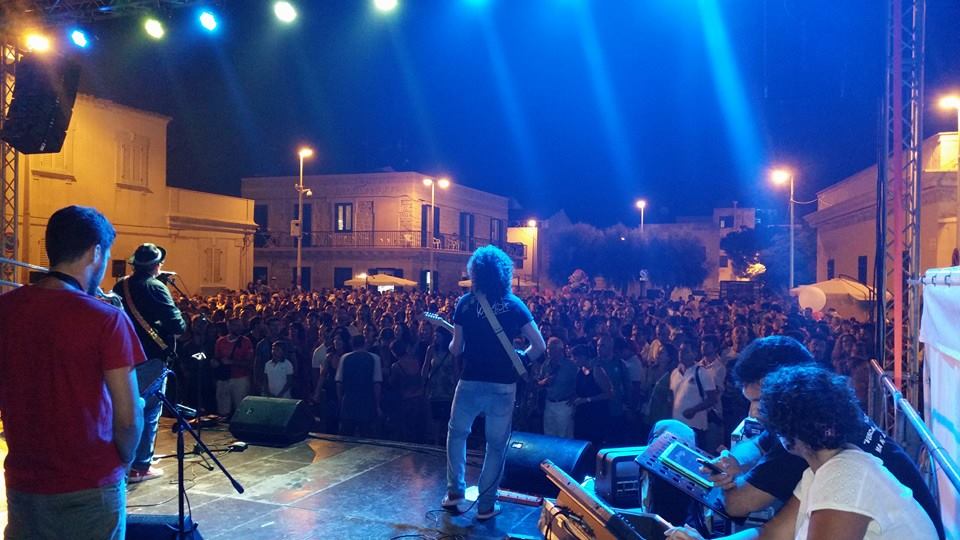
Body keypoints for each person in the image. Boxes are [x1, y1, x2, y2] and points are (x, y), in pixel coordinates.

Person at [703, 336, 944, 539]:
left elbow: (739, 505)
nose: (754, 413)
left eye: (761, 403)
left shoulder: (845, 476)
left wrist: (727, 480)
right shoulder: (821, 462)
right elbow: (771, 535)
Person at [0, 206, 144, 539]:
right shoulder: (106, 319)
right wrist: (123, 462)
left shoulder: (6, 310)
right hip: (89, 486)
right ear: (96, 251)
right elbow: (128, 416)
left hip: (24, 486)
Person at [444, 245, 546, 520]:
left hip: (470, 382)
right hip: (502, 385)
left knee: (457, 434)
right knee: (496, 445)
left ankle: (455, 493)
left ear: (474, 272)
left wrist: (452, 339)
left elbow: (456, 349)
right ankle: (486, 506)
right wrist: (520, 360)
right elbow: (539, 346)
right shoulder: (515, 305)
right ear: (504, 273)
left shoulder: (464, 303)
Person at [113, 242, 186, 484]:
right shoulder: (156, 287)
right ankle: (140, 465)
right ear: (156, 265)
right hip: (152, 357)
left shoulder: (119, 285)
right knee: (150, 408)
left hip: (123, 356)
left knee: (127, 407)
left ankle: (127, 458)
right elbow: (178, 325)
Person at [336, 334, 383, 437]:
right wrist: (377, 405)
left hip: (349, 401)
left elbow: (339, 383)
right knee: (367, 436)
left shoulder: (344, 358)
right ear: (365, 343)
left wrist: (340, 401)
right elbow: (377, 384)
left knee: (346, 436)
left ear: (352, 344)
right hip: (367, 402)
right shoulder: (374, 358)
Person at [211, 317, 255, 416]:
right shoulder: (220, 341)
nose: (239, 328)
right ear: (229, 326)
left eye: (240, 325)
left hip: (239, 378)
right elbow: (216, 357)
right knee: (223, 408)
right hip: (224, 379)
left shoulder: (246, 341)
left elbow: (249, 362)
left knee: (241, 407)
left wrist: (232, 362)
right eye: (236, 325)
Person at [538, 337, 577, 439]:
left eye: (552, 348)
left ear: (560, 350)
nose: (549, 351)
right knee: (548, 434)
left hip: (564, 404)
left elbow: (578, 383)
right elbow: (538, 382)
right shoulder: (546, 364)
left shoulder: (570, 366)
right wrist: (544, 382)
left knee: (563, 435)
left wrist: (575, 397)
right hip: (549, 403)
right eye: (548, 348)